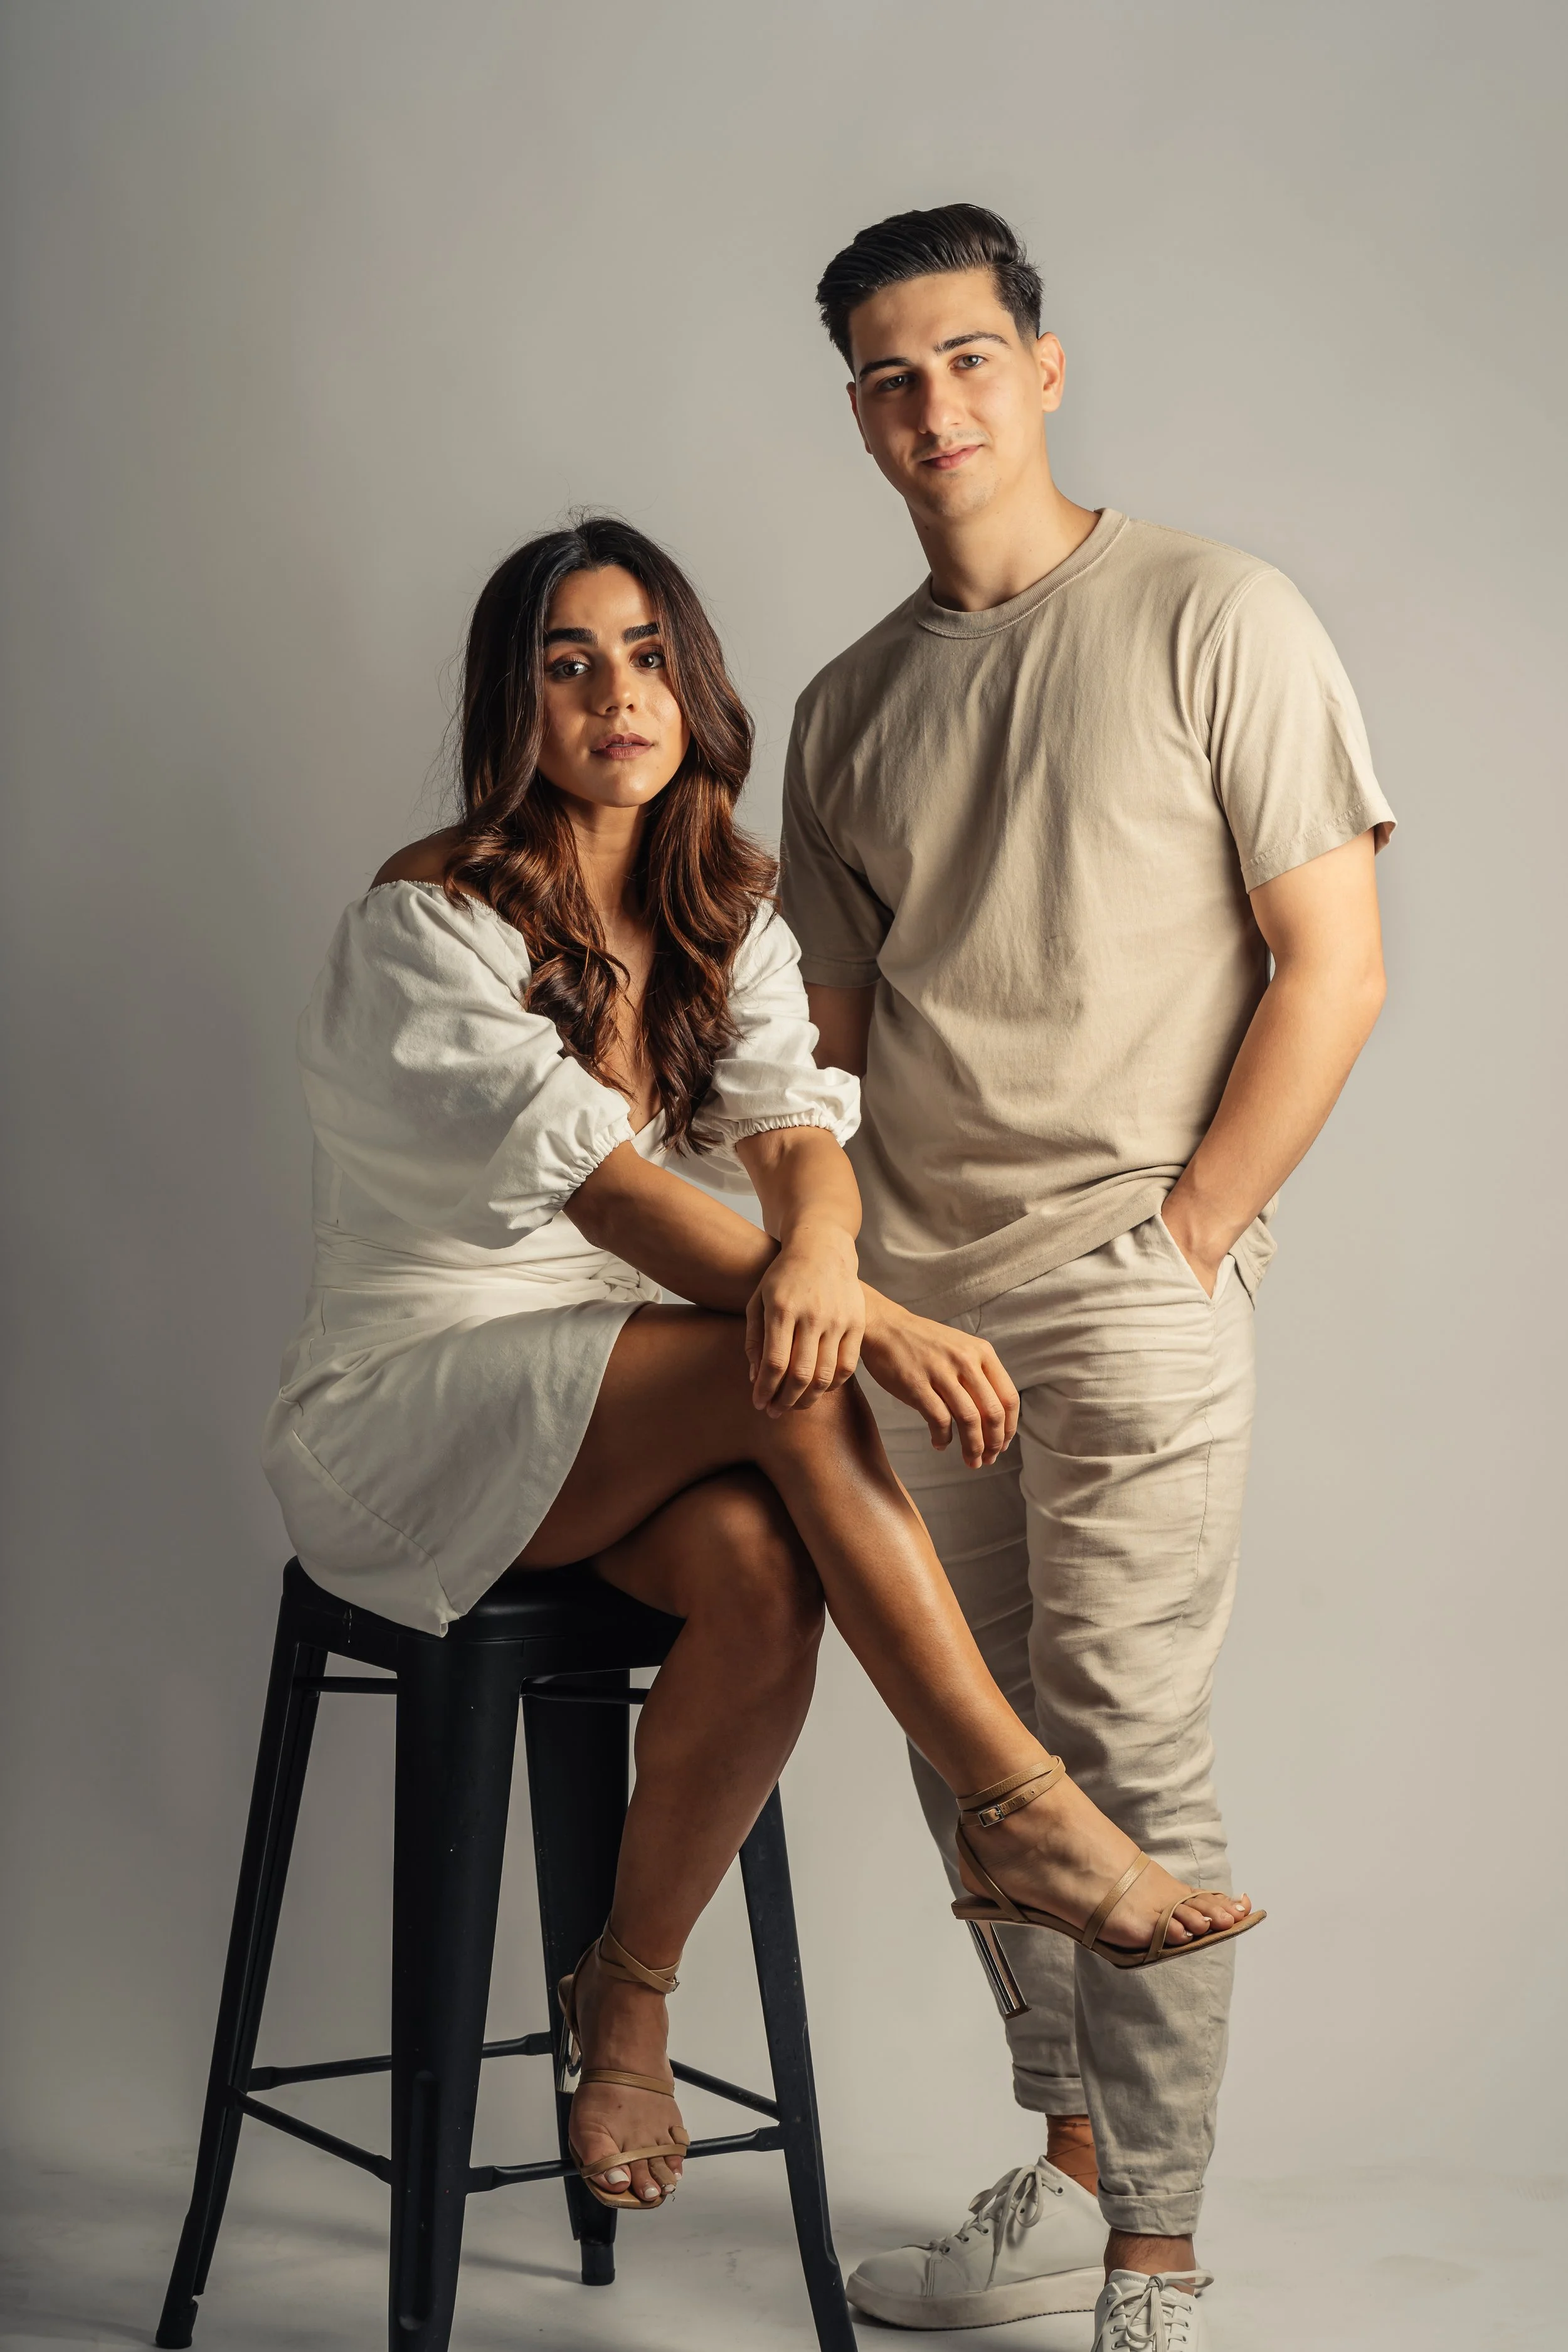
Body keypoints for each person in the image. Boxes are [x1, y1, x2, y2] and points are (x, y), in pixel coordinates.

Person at [262, 515, 1257, 2223]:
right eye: (566, 661)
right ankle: (1014, 1804)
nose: (614, 693)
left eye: (646, 651)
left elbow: (796, 1126)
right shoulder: (426, 920)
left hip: (606, 1392)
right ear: (517, 703)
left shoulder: (722, 896)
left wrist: (820, 1248)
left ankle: (626, 1989)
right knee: (781, 1370)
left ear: (692, 680)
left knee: (752, 1567)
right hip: (412, 1406)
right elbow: (616, 1197)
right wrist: (869, 1316)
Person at [782, 206, 1394, 2347]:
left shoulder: (1213, 613)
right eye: (884, 375)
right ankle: (1065, 2170)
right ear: (854, 416)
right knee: (988, 1770)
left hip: (1127, 1278)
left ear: (1042, 366)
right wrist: (839, 1282)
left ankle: (1156, 2253)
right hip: (913, 1318)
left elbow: (1331, 963)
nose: (927, 404)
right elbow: (828, 1061)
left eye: (961, 357)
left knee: (1122, 1756)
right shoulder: (845, 707)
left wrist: (1189, 1238)